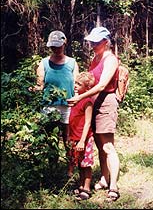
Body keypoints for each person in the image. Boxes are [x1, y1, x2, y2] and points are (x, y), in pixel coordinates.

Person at [67, 26, 120, 201]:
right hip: (93, 102)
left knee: (108, 146)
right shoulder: (95, 58)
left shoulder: (110, 59)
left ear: (105, 42)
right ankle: (104, 179)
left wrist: (80, 97)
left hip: (105, 102)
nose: (93, 45)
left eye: (96, 42)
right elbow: (89, 81)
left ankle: (113, 187)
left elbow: (102, 85)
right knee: (98, 145)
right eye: (91, 42)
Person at [29, 30, 79, 170]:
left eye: (59, 46)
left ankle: (70, 169)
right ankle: (53, 168)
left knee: (68, 138)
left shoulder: (72, 63)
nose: (56, 49)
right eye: (53, 47)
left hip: (68, 105)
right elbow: (40, 85)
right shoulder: (44, 63)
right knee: (51, 138)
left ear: (64, 43)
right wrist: (30, 90)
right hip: (49, 106)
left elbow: (77, 85)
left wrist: (77, 99)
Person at [68, 72, 95, 200]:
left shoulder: (87, 101)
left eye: (79, 84)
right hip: (74, 137)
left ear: (87, 88)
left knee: (86, 163)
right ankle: (81, 185)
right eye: (75, 83)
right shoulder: (75, 99)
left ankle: (87, 188)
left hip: (84, 139)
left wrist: (82, 141)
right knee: (78, 162)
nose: (76, 86)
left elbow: (88, 122)